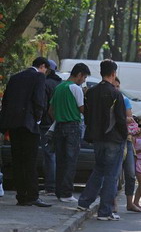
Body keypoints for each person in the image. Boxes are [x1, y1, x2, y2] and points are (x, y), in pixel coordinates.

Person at [77, 59, 127, 221]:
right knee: (111, 176)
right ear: (113, 73)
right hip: (113, 139)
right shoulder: (115, 93)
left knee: (98, 170)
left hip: (97, 138)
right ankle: (105, 211)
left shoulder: (91, 92)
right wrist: (125, 135)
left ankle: (84, 202)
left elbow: (87, 116)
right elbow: (120, 119)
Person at [0, 57, 51, 207]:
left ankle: (21, 195)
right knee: (30, 160)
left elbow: (6, 100)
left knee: (18, 160)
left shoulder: (15, 77)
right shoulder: (39, 76)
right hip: (29, 124)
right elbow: (39, 99)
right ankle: (32, 195)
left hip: (13, 125)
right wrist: (38, 119)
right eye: (46, 69)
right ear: (42, 66)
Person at [50, 63, 91, 202]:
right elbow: (82, 109)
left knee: (60, 160)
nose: (84, 80)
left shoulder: (59, 87)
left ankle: (59, 191)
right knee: (71, 161)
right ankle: (67, 193)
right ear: (79, 74)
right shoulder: (76, 88)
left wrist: (60, 117)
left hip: (59, 126)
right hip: (73, 126)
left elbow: (51, 110)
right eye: (84, 77)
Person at [113, 77, 141, 212]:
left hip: (127, 141)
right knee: (115, 174)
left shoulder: (124, 100)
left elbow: (130, 120)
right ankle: (112, 202)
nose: (116, 88)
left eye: (118, 86)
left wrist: (124, 119)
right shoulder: (108, 100)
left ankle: (130, 203)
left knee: (130, 174)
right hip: (114, 140)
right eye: (114, 86)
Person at [39, 60, 62, 196]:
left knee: (49, 155)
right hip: (59, 123)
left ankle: (50, 186)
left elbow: (42, 105)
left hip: (46, 123)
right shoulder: (60, 84)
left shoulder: (45, 84)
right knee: (57, 155)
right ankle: (56, 185)